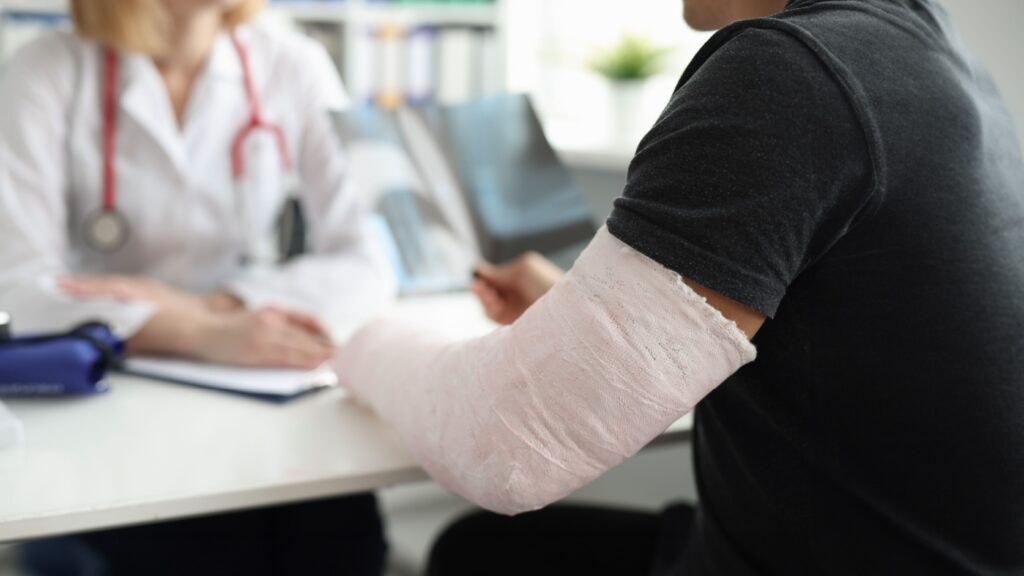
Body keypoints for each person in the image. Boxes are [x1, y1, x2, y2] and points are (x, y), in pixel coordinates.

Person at [336, 0, 1024, 574]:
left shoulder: (790, 72)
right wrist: (572, 310)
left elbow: (506, 448)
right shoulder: (931, 56)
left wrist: (353, 338)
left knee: (477, 552)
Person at [0, 0, 394, 573]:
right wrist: (196, 332)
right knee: (195, 548)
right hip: (108, 387)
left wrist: (215, 307)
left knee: (341, 535)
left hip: (249, 374)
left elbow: (373, 259)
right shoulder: (45, 69)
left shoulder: (295, 63)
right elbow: (13, 284)